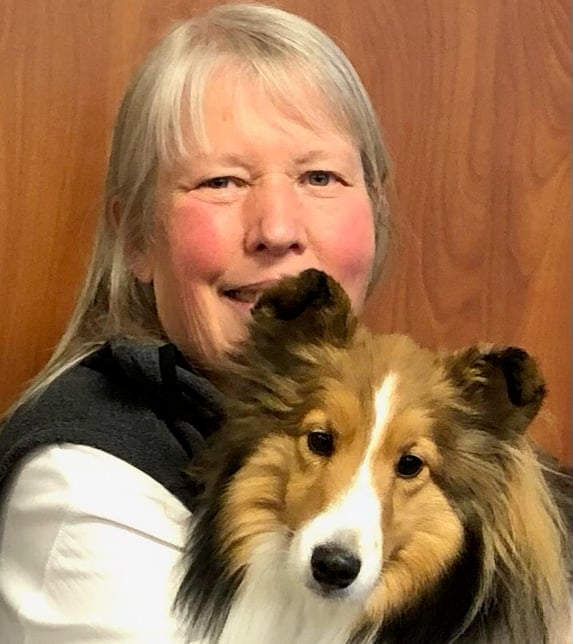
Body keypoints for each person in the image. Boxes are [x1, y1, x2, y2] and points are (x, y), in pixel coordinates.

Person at [0, 3, 390, 641]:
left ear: (374, 214)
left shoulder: (415, 427)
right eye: (221, 181)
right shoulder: (81, 488)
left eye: (321, 176)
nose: (278, 230)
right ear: (136, 238)